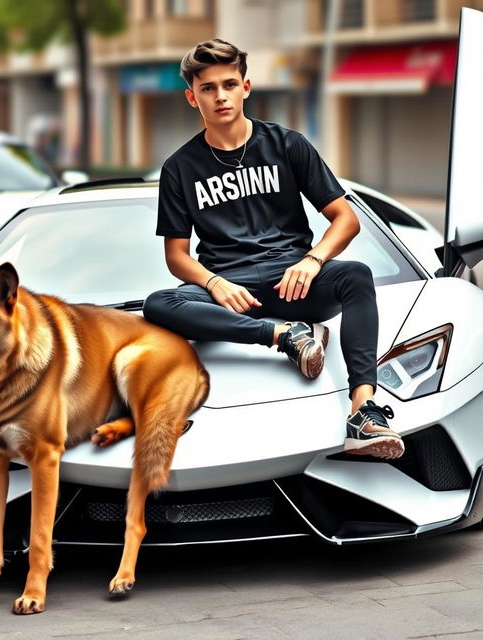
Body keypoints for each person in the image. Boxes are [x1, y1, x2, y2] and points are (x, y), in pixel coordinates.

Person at [142, 39, 404, 460]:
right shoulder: (179, 168)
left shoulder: (287, 144)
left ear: (246, 87)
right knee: (159, 303)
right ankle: (285, 336)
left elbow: (346, 218)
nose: (220, 96)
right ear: (192, 97)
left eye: (229, 84)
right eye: (208, 88)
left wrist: (312, 260)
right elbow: (177, 256)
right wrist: (213, 283)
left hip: (293, 281)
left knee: (356, 275)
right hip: (231, 293)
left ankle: (363, 412)